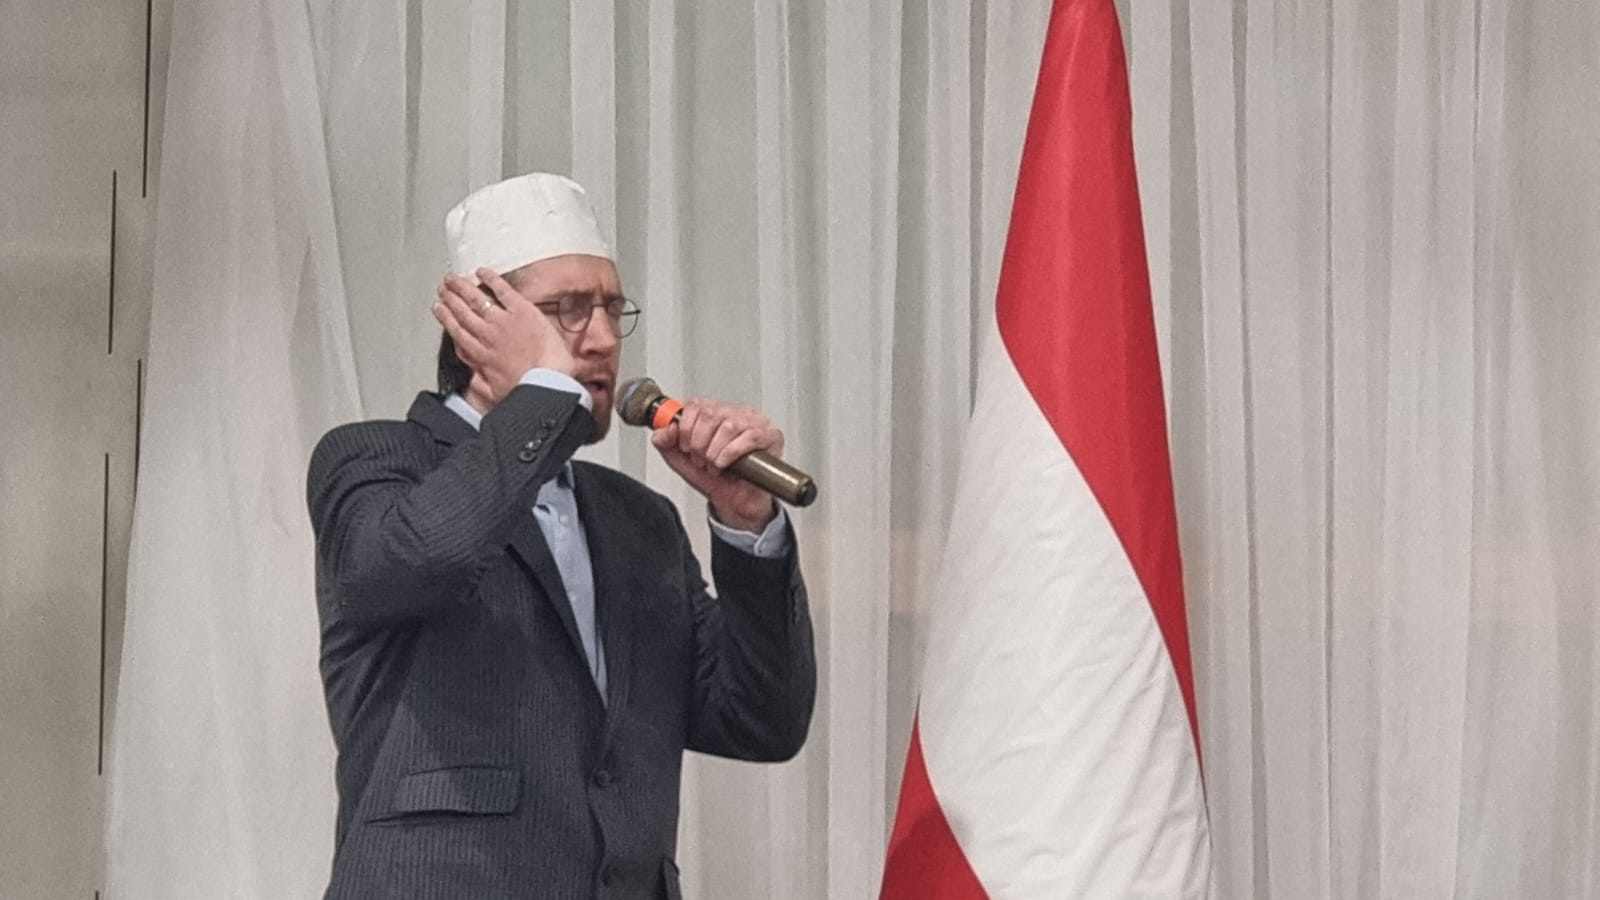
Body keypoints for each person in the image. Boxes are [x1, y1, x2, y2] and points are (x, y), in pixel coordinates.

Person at [305, 172, 816, 899]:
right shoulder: (374, 461)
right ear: (477, 324)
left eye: (612, 309)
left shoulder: (638, 519)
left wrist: (745, 520)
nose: (603, 339)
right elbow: (423, 557)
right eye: (567, 310)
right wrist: (545, 390)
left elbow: (761, 721)